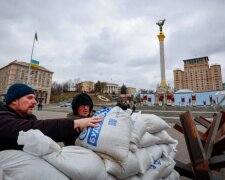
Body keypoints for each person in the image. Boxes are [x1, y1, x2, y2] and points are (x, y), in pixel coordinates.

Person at [0, 83, 102, 151]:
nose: (35, 102)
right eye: (29, 98)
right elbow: (29, 129)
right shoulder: (3, 116)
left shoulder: (31, 118)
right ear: (14, 100)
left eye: (35, 98)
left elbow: (46, 135)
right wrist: (75, 123)